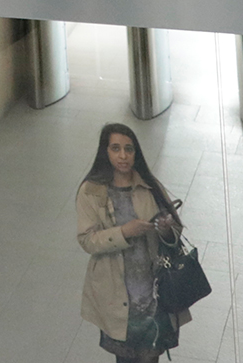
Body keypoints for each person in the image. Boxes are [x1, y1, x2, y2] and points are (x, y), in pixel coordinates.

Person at [76, 123, 187, 362]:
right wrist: (125, 232)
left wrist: (166, 230)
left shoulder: (149, 186)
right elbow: (87, 241)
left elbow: (176, 231)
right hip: (116, 295)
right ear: (105, 152)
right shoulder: (91, 191)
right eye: (116, 149)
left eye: (129, 149)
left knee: (150, 357)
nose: (123, 156)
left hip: (152, 294)